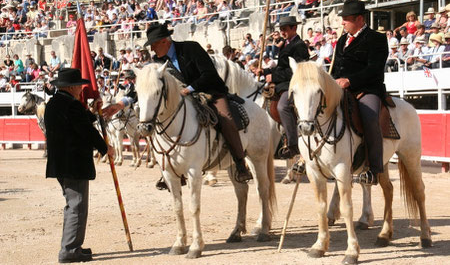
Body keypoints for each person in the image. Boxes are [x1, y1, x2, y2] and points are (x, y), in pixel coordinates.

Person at [104, 22, 253, 183]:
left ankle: (240, 163)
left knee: (226, 118)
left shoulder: (191, 48)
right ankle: (171, 168)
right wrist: (121, 104)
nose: (152, 49)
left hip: (211, 93)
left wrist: (188, 89)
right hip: (184, 98)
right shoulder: (158, 60)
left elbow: (208, 74)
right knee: (163, 121)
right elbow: (145, 87)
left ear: (164, 41)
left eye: (153, 44)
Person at [44, 68, 113, 263]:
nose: (82, 89)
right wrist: (105, 148)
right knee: (77, 207)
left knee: (73, 206)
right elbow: (86, 130)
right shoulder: (71, 105)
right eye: (80, 86)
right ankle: (70, 250)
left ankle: (73, 246)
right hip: (73, 164)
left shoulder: (55, 103)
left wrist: (91, 112)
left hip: (61, 164)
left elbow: (78, 121)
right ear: (72, 87)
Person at [331, 0, 389, 185]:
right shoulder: (342, 40)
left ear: (360, 19)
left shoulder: (377, 39)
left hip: (367, 89)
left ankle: (374, 168)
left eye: (346, 19)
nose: (343, 22)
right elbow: (337, 69)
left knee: (370, 117)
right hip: (341, 89)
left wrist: (350, 81)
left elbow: (374, 69)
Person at [256, 16, 310, 159]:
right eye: (281, 29)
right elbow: (281, 68)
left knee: (283, 107)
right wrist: (265, 72)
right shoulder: (286, 44)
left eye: (285, 29)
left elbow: (297, 70)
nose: (283, 32)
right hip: (283, 83)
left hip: (294, 83)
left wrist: (273, 77)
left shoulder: (299, 45)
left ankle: (293, 144)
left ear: (294, 28)